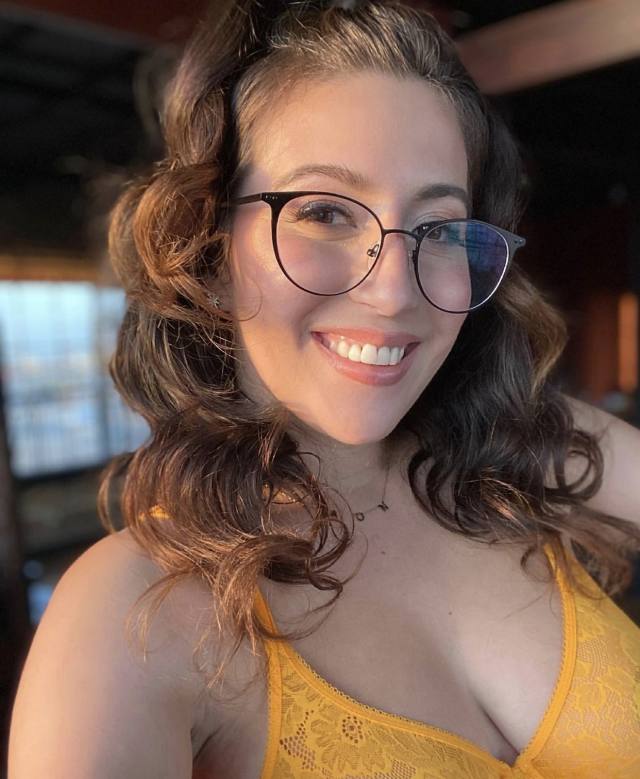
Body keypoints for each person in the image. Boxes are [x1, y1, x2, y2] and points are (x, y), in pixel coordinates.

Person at [9, 1, 640, 777]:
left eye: (439, 228)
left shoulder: (528, 447)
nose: (392, 292)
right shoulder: (133, 612)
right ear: (209, 249)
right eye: (325, 212)